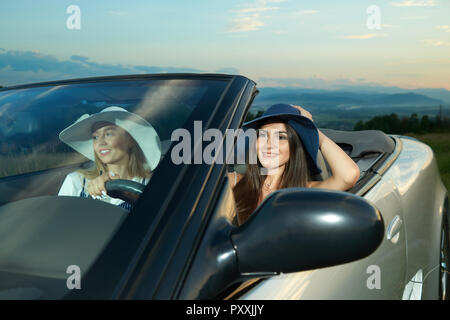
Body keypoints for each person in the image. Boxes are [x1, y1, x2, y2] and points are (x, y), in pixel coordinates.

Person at [228, 103, 360, 225]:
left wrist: (311, 131)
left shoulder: (303, 192)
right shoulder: (234, 181)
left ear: (294, 146)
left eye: (280, 137)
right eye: (262, 135)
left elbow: (348, 176)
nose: (268, 145)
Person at [58, 106, 161, 211]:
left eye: (109, 134)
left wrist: (127, 195)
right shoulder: (77, 181)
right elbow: (59, 221)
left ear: (130, 140)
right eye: (95, 137)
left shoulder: (150, 183)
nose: (101, 142)